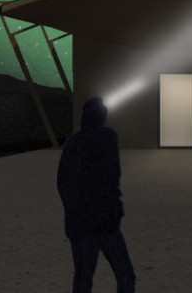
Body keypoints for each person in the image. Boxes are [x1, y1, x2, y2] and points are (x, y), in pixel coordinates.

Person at [56, 96, 136, 293]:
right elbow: (111, 177)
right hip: (103, 220)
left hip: (78, 222)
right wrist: (113, 209)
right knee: (125, 273)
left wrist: (73, 208)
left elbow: (62, 182)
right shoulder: (108, 137)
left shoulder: (73, 142)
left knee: (83, 277)